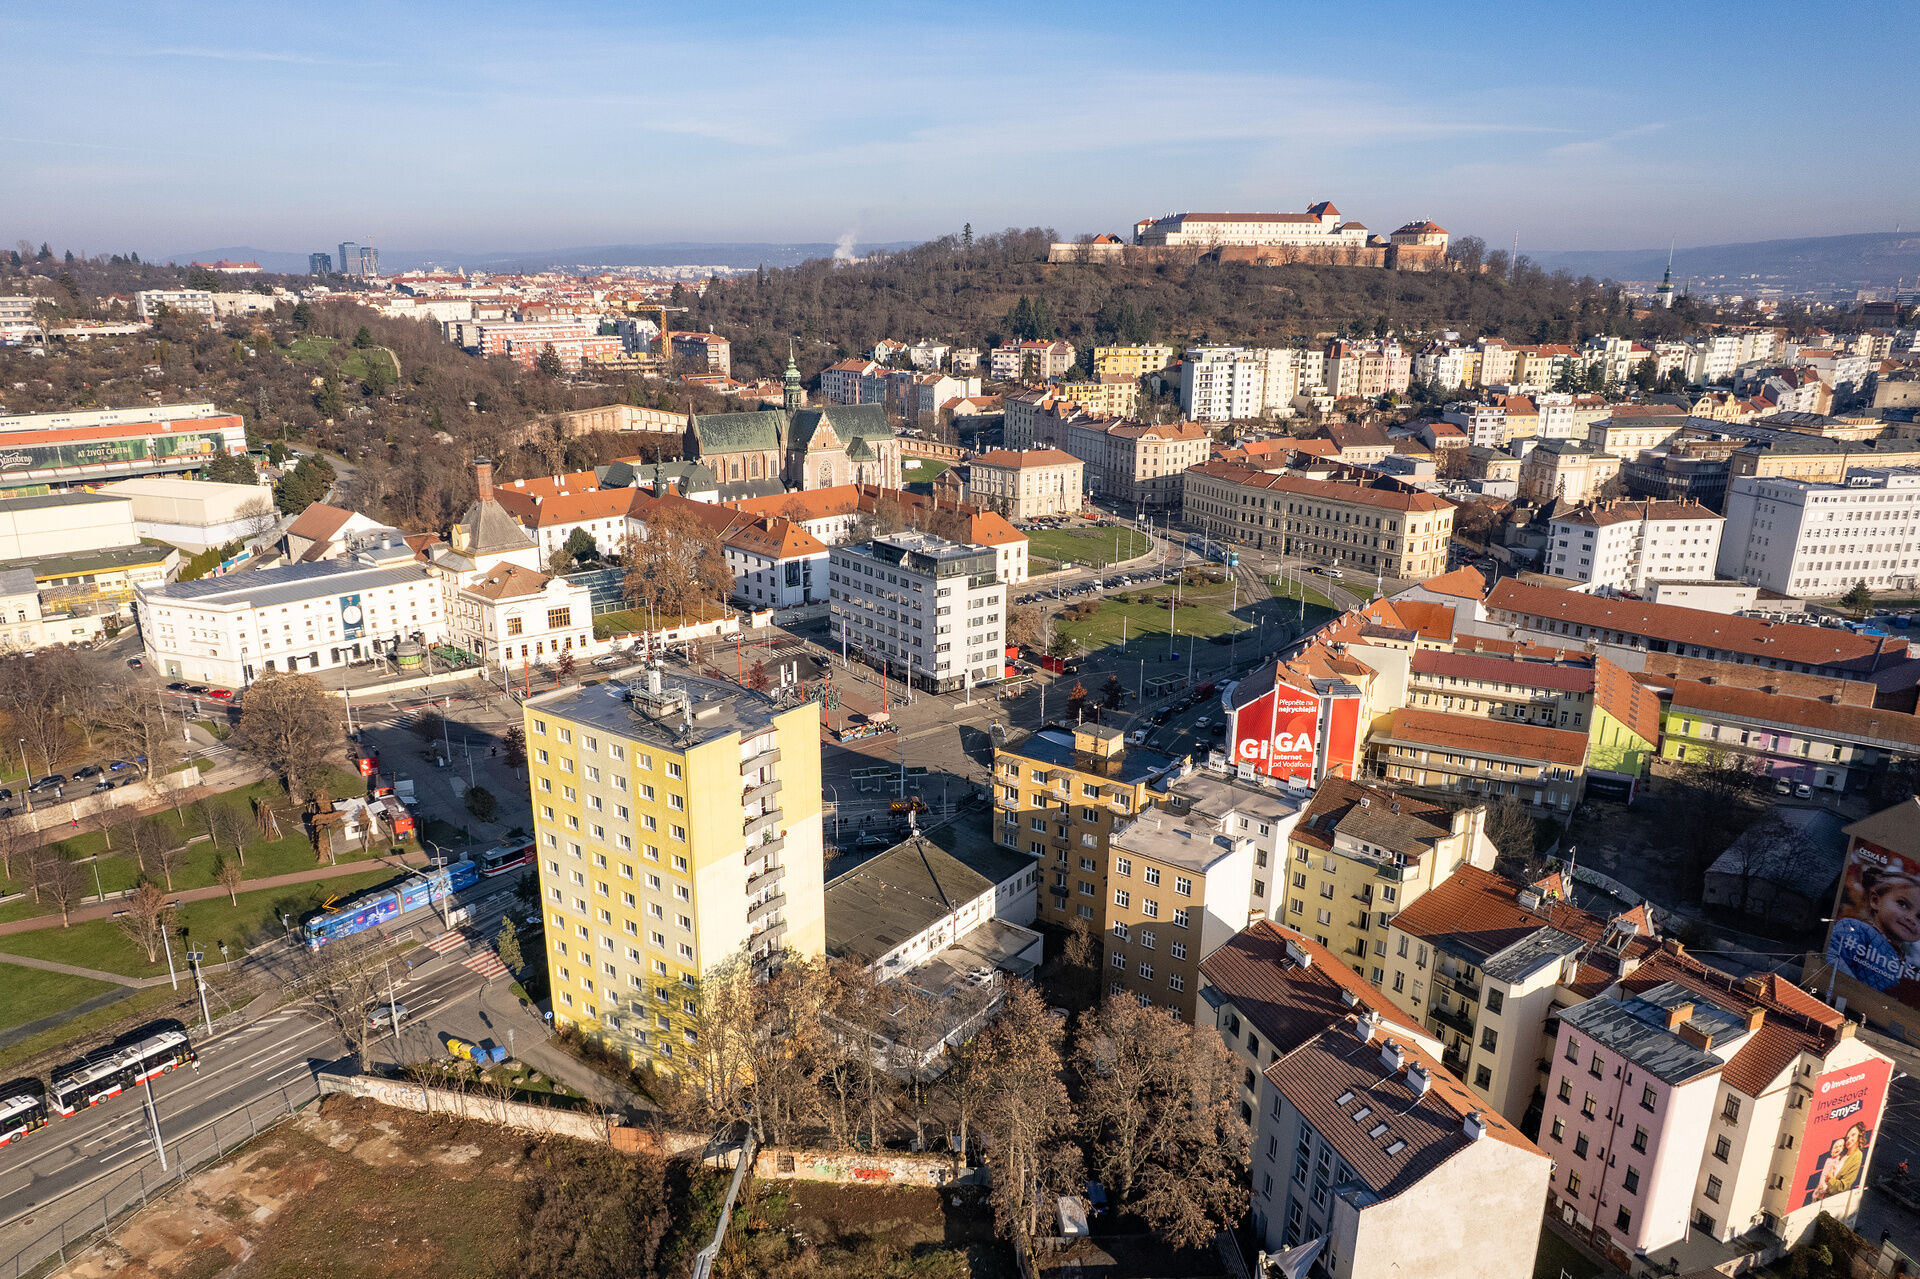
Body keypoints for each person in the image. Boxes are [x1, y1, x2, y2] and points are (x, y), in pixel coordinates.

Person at [1826, 867, 1920, 992]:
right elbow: (1831, 959)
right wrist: (1857, 994)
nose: (1910, 918)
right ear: (1875, 901)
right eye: (1902, 904)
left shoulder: (1903, 962)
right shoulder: (1855, 929)